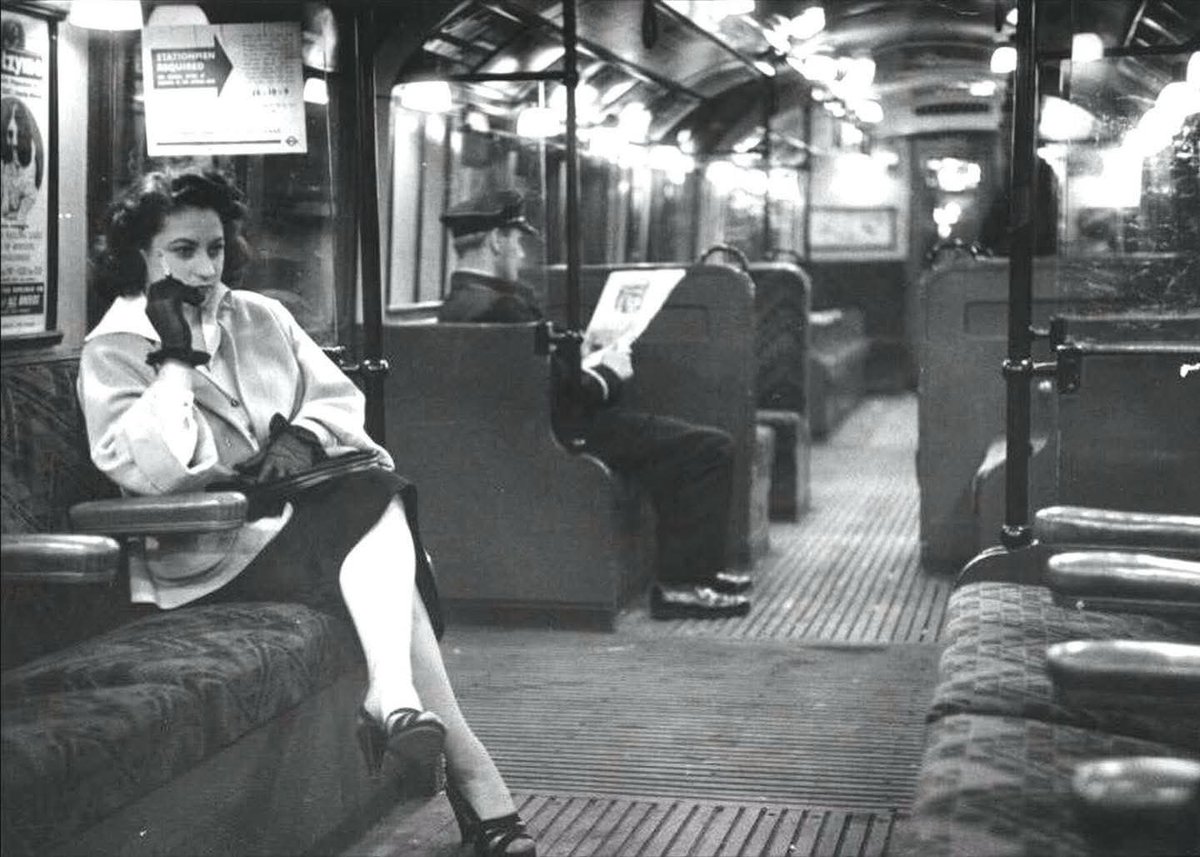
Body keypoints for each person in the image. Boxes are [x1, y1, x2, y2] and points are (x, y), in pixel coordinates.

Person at [78, 168, 535, 857]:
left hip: (287, 525)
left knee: (373, 496)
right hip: (202, 549)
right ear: (140, 254)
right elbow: (158, 474)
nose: (205, 269)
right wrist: (174, 359)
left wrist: (303, 436)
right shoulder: (113, 347)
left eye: (215, 248)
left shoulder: (259, 316)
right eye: (182, 251)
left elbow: (338, 399)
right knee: (379, 517)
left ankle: (401, 702)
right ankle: (447, 753)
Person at [437, 189, 752, 620]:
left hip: (531, 427)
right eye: (516, 241)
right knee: (708, 448)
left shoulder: (463, 303)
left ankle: (696, 572)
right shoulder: (502, 308)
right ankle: (682, 586)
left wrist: (579, 355)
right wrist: (608, 373)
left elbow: (531, 380)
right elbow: (561, 395)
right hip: (564, 432)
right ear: (496, 241)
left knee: (677, 445)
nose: (521, 252)